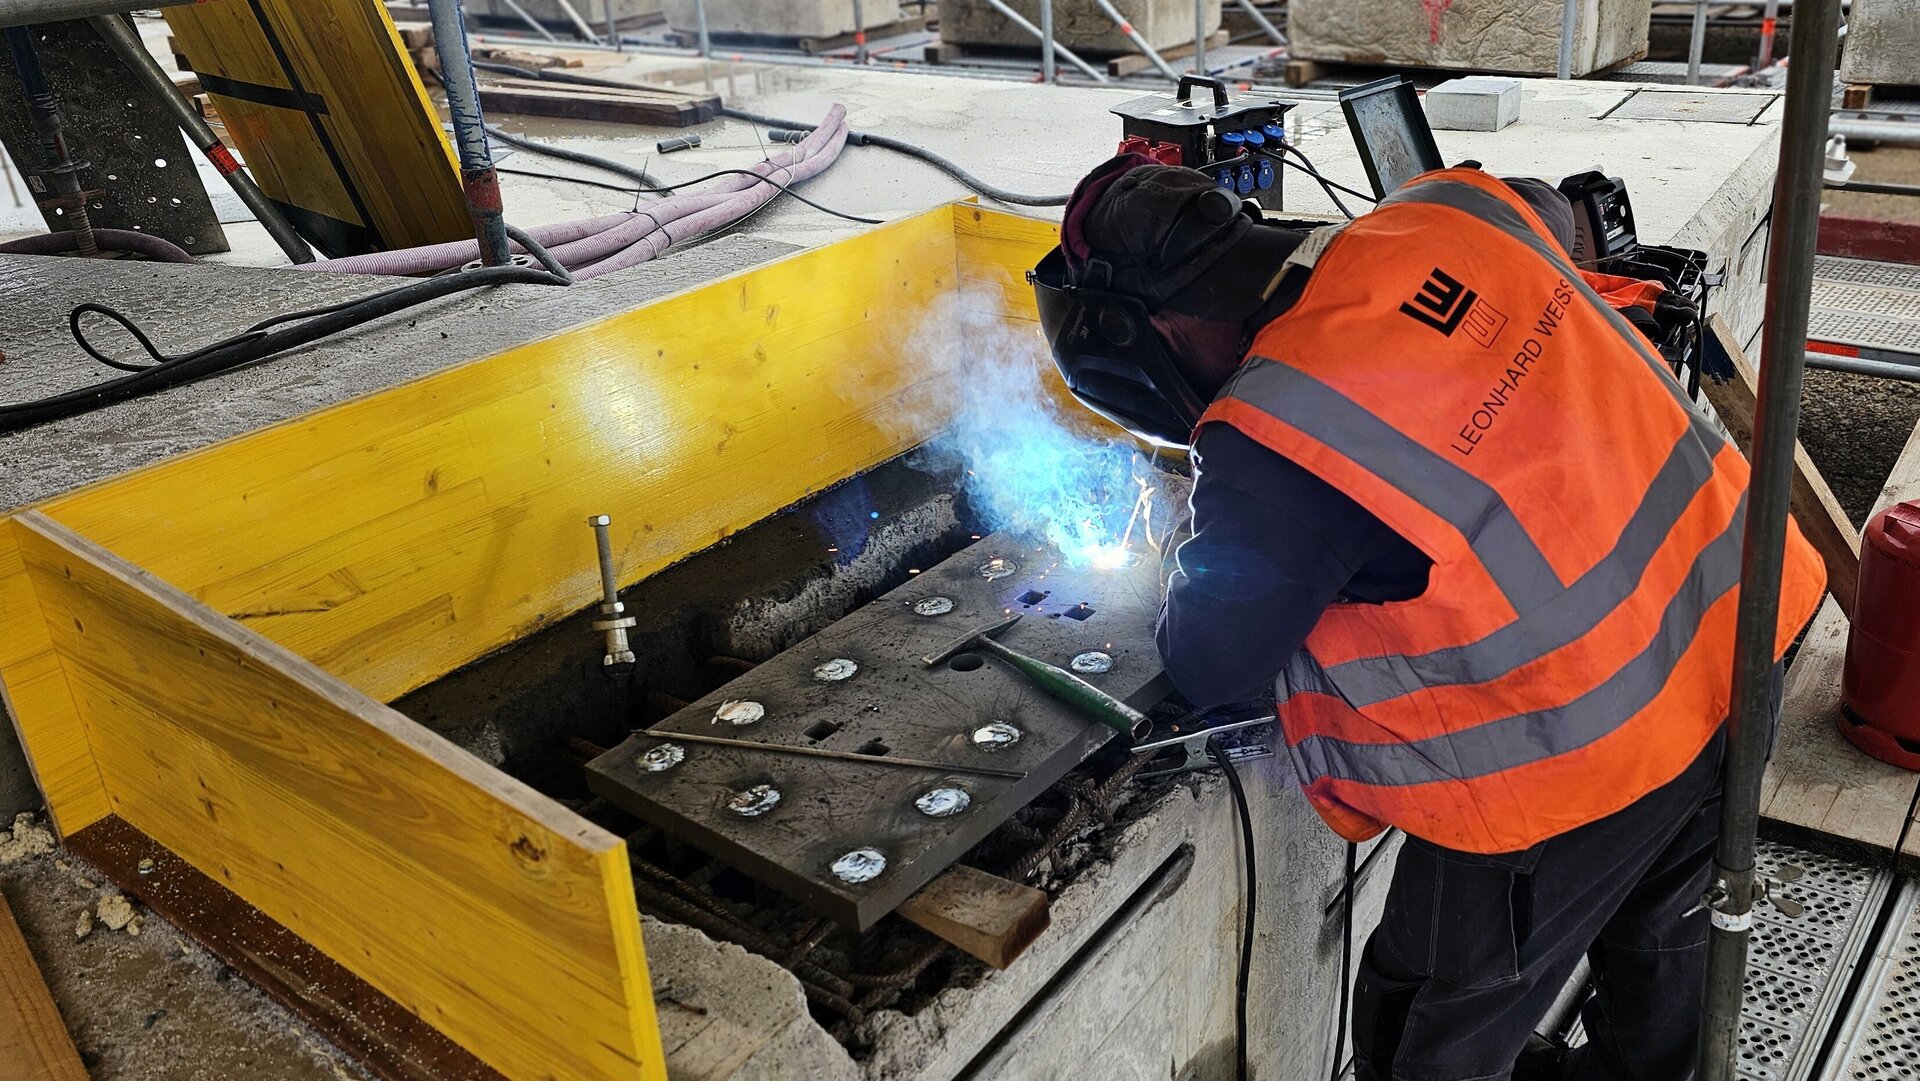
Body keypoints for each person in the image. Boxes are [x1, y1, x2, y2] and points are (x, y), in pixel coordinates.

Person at [1029, 155, 1827, 1081]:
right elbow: (1545, 207)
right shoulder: (1443, 212)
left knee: (1427, 1034)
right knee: (1661, 965)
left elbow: (1210, 659)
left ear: (1151, 332)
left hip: (1581, 755)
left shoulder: (1274, 434)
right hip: (1740, 634)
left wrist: (1202, 532)